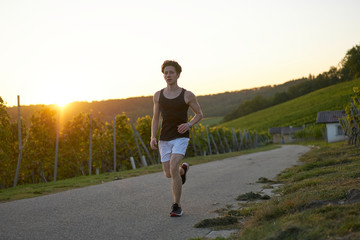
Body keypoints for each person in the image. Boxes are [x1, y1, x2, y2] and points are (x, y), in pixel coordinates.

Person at [150, 60, 203, 217]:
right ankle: (183, 171)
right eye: (165, 73)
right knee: (169, 173)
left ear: (178, 74)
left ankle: (176, 206)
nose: (168, 75)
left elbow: (199, 114)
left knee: (173, 167)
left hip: (181, 137)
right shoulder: (158, 95)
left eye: (171, 72)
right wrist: (153, 136)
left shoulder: (187, 95)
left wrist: (189, 124)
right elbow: (155, 118)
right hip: (164, 138)